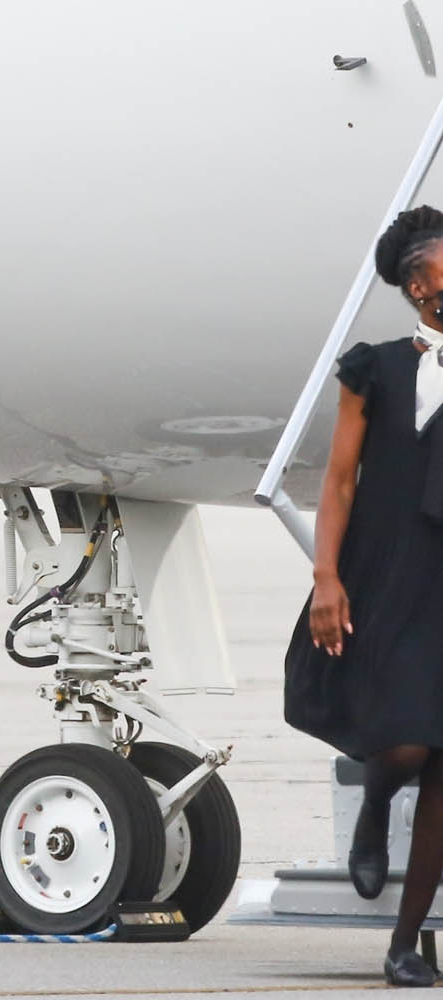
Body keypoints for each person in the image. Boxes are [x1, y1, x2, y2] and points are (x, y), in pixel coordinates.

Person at [285, 205, 443, 987]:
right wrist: (326, 575)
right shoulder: (373, 369)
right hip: (390, 570)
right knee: (408, 743)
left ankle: (403, 945)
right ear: (418, 286)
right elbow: (340, 480)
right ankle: (377, 801)